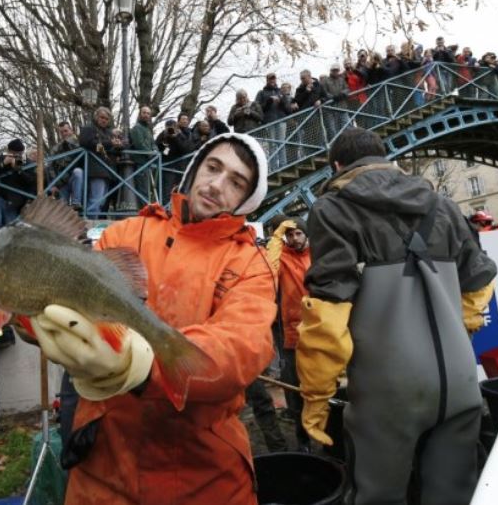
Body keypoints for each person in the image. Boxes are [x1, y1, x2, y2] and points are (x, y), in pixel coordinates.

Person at [29, 132, 276, 504]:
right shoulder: (128, 232)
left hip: (204, 478)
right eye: (213, 167)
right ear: (195, 168)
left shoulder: (249, 263)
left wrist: (143, 362)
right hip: (103, 471)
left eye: (236, 182)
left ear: (246, 200)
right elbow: (65, 300)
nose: (217, 184)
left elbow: (241, 348)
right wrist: (17, 307)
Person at [296, 128, 497, 505]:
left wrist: (317, 397)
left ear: (337, 166)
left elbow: (328, 315)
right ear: (383, 157)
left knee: (378, 495)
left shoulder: (332, 208)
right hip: (460, 380)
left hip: (387, 389)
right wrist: (459, 334)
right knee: (454, 494)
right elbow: (480, 285)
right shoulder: (443, 205)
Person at [265, 216, 312, 451]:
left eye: (298, 234)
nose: (294, 238)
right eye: (290, 234)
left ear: (306, 234)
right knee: (294, 389)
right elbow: (268, 265)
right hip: (291, 335)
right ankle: (303, 440)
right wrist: (276, 236)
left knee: (320, 385)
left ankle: (326, 431)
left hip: (318, 334)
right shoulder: (282, 257)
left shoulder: (317, 256)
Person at [78, 107, 125, 219]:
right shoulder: (89, 128)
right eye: (102, 117)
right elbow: (86, 142)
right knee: (95, 200)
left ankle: (94, 226)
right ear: (96, 117)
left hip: (107, 170)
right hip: (96, 169)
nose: (104, 120)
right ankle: (89, 226)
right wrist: (110, 143)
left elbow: (109, 149)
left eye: (107, 119)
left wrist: (118, 146)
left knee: (101, 202)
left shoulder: (108, 132)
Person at [0, 139, 37, 230]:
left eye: (19, 153)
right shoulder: (0, 158)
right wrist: (3, 164)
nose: (17, 156)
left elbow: (32, 181)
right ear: (9, 151)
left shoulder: (27, 163)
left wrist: (19, 170)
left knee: (12, 227)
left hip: (14, 201)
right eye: (14, 153)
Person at [49, 122, 85, 210]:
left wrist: (70, 142)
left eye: (65, 131)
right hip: (61, 180)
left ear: (71, 130)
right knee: (62, 209)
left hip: (75, 178)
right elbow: (50, 166)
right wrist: (53, 184)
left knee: (78, 171)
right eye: (61, 132)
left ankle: (76, 202)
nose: (64, 134)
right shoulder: (56, 147)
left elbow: (81, 155)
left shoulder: (79, 143)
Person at [128, 106, 157, 204]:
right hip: (141, 162)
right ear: (140, 114)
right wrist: (151, 154)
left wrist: (155, 151)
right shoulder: (136, 128)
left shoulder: (148, 130)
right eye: (144, 113)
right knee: (142, 189)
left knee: (148, 188)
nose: (146, 115)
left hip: (148, 163)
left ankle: (146, 208)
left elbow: (153, 144)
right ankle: (144, 210)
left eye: (148, 113)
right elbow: (139, 144)